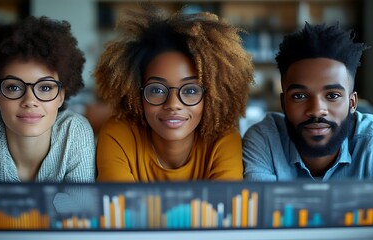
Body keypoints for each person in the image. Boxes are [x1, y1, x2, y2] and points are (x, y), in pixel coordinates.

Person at [94, 5, 254, 182]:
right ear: (136, 94)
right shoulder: (118, 135)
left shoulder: (223, 139)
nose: (173, 104)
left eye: (191, 90)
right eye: (156, 90)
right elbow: (121, 206)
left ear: (211, 96)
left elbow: (224, 206)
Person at [0, 16, 95, 202]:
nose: (30, 101)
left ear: (61, 95)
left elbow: (80, 214)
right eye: (13, 87)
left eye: (45, 88)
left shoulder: (75, 133)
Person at [242, 22, 373, 190]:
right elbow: (261, 209)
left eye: (333, 96)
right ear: (283, 103)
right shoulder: (265, 140)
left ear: (352, 103)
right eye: (300, 96)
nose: (317, 110)